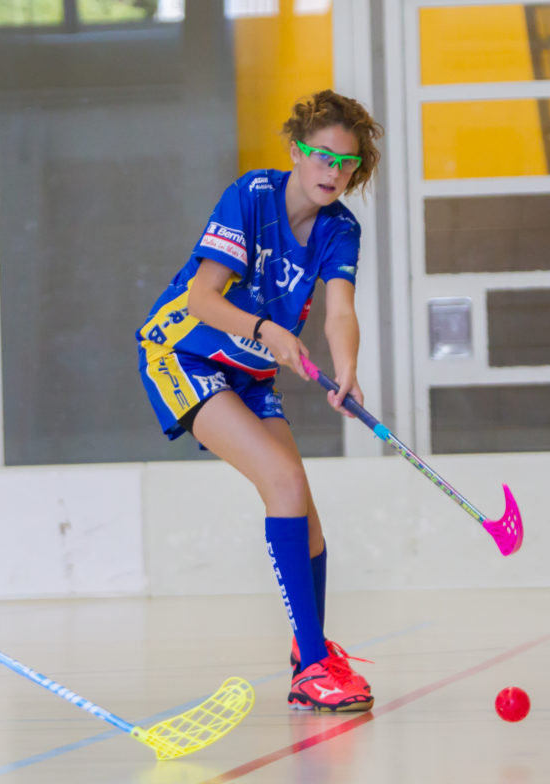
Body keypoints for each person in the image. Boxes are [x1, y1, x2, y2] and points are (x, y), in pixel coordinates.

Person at [137, 90, 383, 711]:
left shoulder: (340, 229)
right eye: (322, 156)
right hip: (184, 354)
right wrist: (265, 329)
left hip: (248, 373)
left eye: (346, 163)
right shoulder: (251, 197)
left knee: (305, 509)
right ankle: (313, 668)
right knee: (281, 480)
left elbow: (340, 310)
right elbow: (203, 299)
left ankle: (311, 653)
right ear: (297, 151)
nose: (333, 172)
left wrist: (347, 368)